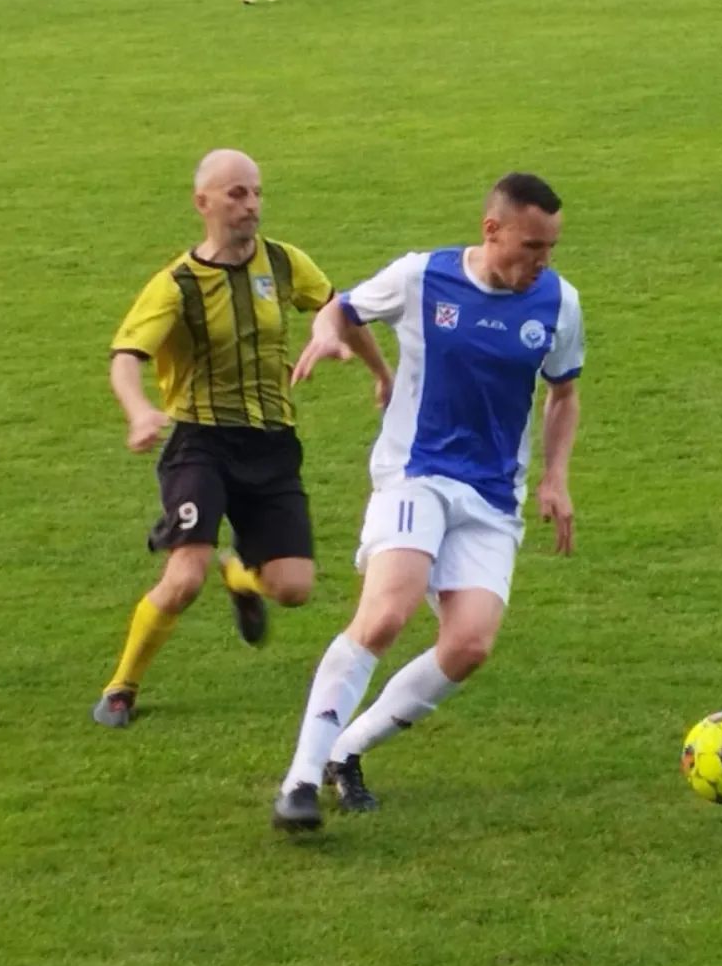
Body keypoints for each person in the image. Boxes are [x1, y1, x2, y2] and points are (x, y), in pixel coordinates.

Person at [271, 171, 585, 830]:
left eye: (551, 247)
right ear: (491, 230)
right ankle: (299, 780)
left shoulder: (558, 302)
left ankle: (346, 750)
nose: (542, 261)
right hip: (416, 473)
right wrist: (329, 334)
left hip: (493, 497)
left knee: (468, 645)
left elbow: (563, 394)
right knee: (386, 613)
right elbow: (341, 307)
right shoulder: (422, 277)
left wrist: (555, 477)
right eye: (531, 246)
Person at [91, 149, 391, 729]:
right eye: (236, 194)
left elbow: (340, 310)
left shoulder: (283, 262)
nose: (251, 205)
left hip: (272, 442)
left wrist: (381, 371)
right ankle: (121, 686)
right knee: (184, 577)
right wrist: (138, 412)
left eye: (256, 192)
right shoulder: (177, 284)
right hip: (200, 442)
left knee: (294, 588)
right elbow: (126, 355)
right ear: (202, 202)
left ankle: (240, 575)